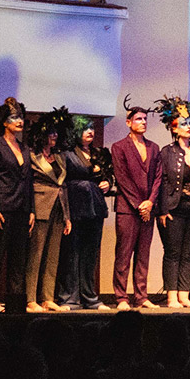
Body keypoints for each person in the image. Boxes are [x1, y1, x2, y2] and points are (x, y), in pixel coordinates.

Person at [152, 97, 190, 309]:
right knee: (173, 253)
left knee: (189, 254)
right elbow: (161, 182)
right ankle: (172, 297)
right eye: (183, 124)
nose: (188, 127)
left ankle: (184, 296)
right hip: (174, 210)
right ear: (174, 128)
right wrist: (162, 209)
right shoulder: (167, 152)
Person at [0, 98, 35, 314]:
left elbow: (29, 180)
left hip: (22, 207)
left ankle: (15, 299)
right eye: (14, 118)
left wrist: (31, 209)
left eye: (21, 117)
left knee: (18, 257)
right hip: (3, 206)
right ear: (5, 122)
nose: (19, 121)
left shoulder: (24, 147)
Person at [110, 102, 159, 309]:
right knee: (124, 254)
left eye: (145, 119)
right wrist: (140, 205)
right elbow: (122, 178)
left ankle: (141, 296)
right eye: (139, 119)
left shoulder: (153, 147)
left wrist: (150, 202)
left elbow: (158, 177)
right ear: (129, 122)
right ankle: (121, 297)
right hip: (128, 209)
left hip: (148, 209)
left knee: (143, 255)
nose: (143, 122)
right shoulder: (119, 147)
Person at [61, 118, 111, 309]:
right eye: (84, 128)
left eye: (91, 128)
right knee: (72, 253)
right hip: (75, 206)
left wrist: (108, 183)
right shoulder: (68, 153)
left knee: (90, 254)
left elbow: (108, 175)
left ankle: (89, 297)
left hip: (95, 208)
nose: (90, 131)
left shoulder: (98, 153)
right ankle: (69, 297)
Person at [25, 109, 73, 311]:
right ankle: (30, 298)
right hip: (40, 206)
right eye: (51, 132)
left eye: (56, 132)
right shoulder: (32, 156)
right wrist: (30, 210)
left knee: (53, 255)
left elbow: (63, 186)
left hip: (58, 208)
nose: (54, 135)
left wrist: (67, 216)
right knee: (35, 254)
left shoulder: (59, 157)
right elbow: (28, 184)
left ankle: (48, 297)